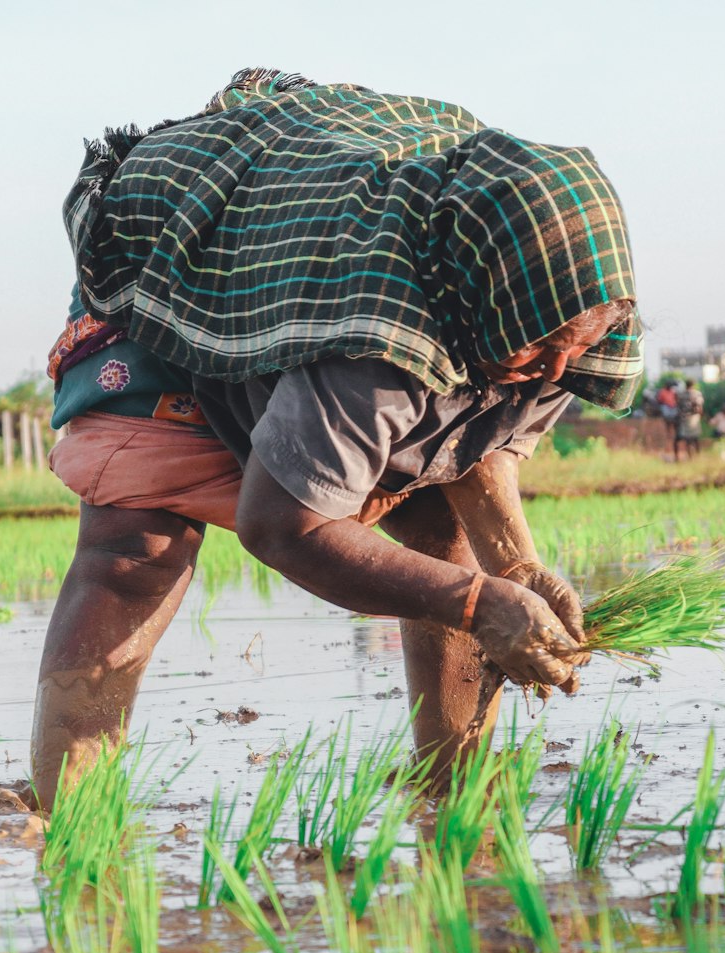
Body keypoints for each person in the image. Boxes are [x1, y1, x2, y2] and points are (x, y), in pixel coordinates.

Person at [32, 69, 643, 809]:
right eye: (538, 347)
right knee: (135, 552)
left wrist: (517, 566)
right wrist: (485, 603)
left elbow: (478, 443)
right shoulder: (375, 339)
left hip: (338, 278)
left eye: (573, 349)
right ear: (480, 298)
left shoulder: (562, 309)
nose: (554, 369)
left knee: (434, 528)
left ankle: (452, 793)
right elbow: (283, 528)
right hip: (187, 263)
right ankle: (69, 815)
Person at [675, 379, 705, 459]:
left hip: (684, 418)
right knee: (695, 437)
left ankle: (690, 455)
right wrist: (701, 415)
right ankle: (698, 455)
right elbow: (699, 407)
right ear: (693, 385)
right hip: (694, 417)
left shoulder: (681, 394)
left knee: (687, 438)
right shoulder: (697, 394)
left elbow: (678, 406)